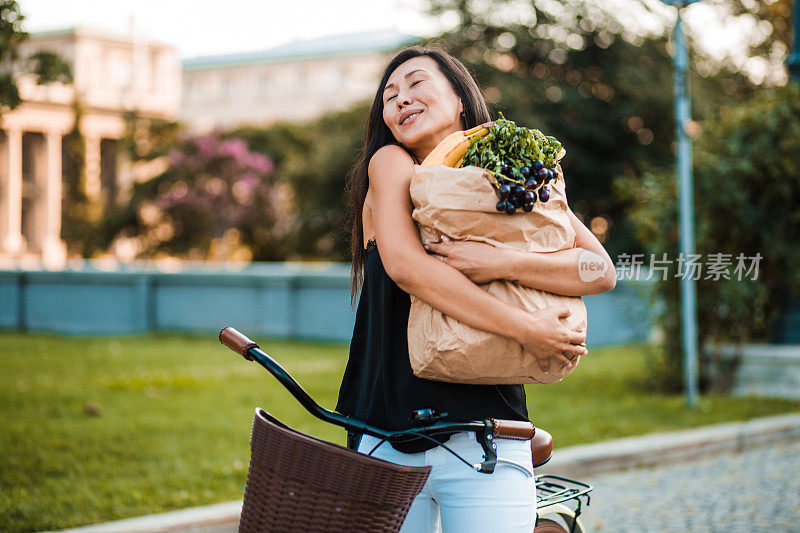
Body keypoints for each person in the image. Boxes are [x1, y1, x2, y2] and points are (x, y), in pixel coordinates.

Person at [336, 45, 616, 532]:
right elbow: (408, 268)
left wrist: (501, 261)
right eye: (389, 95)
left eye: (416, 83)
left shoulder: (512, 176)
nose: (400, 100)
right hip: (388, 432)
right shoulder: (391, 164)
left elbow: (599, 271)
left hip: (493, 432)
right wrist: (528, 329)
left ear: (460, 96)